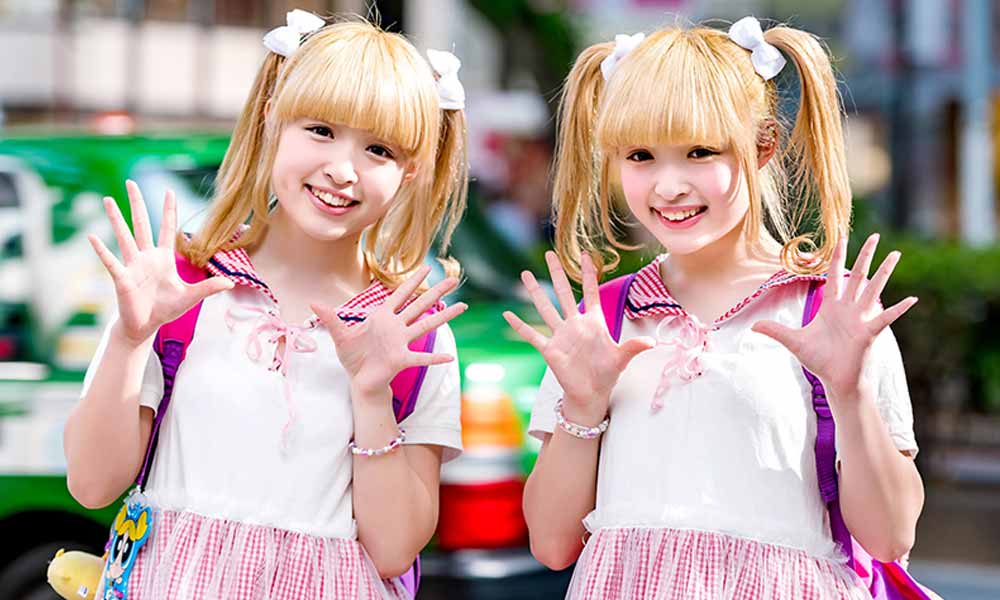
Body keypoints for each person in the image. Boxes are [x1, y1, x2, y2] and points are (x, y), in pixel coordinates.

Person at [504, 17, 925, 599]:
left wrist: (849, 394)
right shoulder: (603, 320)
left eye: (700, 152)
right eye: (641, 155)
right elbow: (551, 545)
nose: (669, 185)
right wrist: (581, 405)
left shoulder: (831, 313)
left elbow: (890, 538)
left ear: (762, 147)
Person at [63, 12, 468, 599]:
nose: (341, 169)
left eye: (378, 148)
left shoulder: (411, 332)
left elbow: (393, 547)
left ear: (409, 172)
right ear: (272, 121)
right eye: (321, 130)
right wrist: (129, 339)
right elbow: (93, 485)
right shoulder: (180, 290)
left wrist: (373, 392)